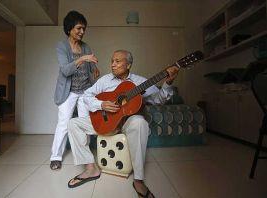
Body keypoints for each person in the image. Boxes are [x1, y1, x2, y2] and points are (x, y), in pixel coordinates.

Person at [66, 50, 179, 197]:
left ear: (128, 65)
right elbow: (87, 96)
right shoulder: (105, 80)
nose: (113, 64)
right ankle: (91, 168)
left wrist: (168, 82)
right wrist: (101, 105)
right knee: (73, 123)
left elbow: (159, 99)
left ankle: (138, 180)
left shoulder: (140, 82)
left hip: (127, 123)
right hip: (106, 122)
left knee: (140, 123)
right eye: (112, 61)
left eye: (118, 61)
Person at [50, 10, 100, 170]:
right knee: (64, 123)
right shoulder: (62, 46)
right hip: (69, 91)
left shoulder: (86, 46)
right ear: (70, 28)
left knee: (85, 123)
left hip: (85, 90)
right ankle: (55, 156)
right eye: (79, 28)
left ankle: (85, 156)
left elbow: (91, 66)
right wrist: (84, 58)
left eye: (84, 29)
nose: (82, 32)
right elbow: (65, 70)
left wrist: (95, 69)